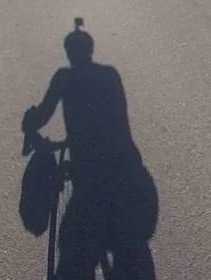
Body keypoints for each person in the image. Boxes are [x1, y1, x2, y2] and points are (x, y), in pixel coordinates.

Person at [22, 18, 157, 280]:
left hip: (92, 188)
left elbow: (41, 116)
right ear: (90, 51)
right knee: (134, 252)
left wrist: (30, 125)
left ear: (69, 53)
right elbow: (110, 124)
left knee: (73, 259)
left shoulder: (64, 79)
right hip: (133, 181)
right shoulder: (110, 75)